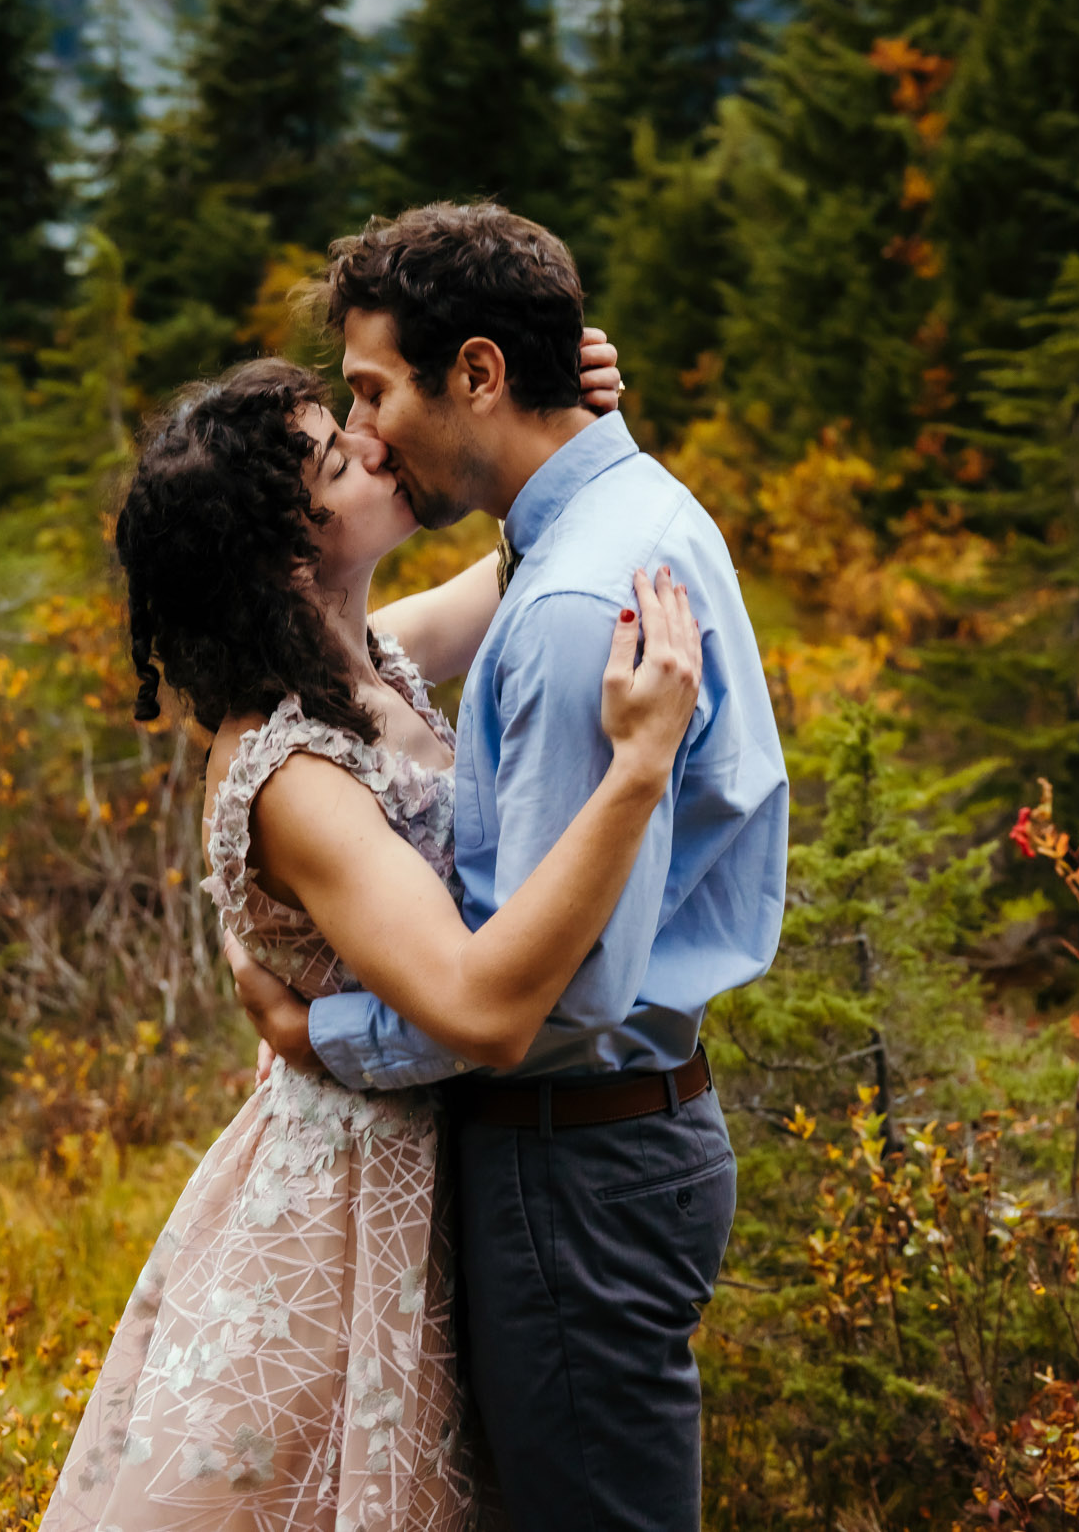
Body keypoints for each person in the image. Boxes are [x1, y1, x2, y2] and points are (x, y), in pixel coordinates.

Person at [38, 337, 702, 1532]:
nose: (371, 441)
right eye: (335, 457)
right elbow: (483, 1005)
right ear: (287, 551)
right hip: (352, 1206)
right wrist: (636, 770)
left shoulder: (366, 653)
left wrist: (567, 415)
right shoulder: (293, 773)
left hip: (437, 1154)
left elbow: (530, 558)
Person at [237, 202, 790, 1532]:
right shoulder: (630, 513)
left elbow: (552, 997)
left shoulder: (561, 605)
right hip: (615, 1142)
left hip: (572, 1160)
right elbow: (347, 666)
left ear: (476, 372)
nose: (367, 432)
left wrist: (325, 1030)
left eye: (373, 391)